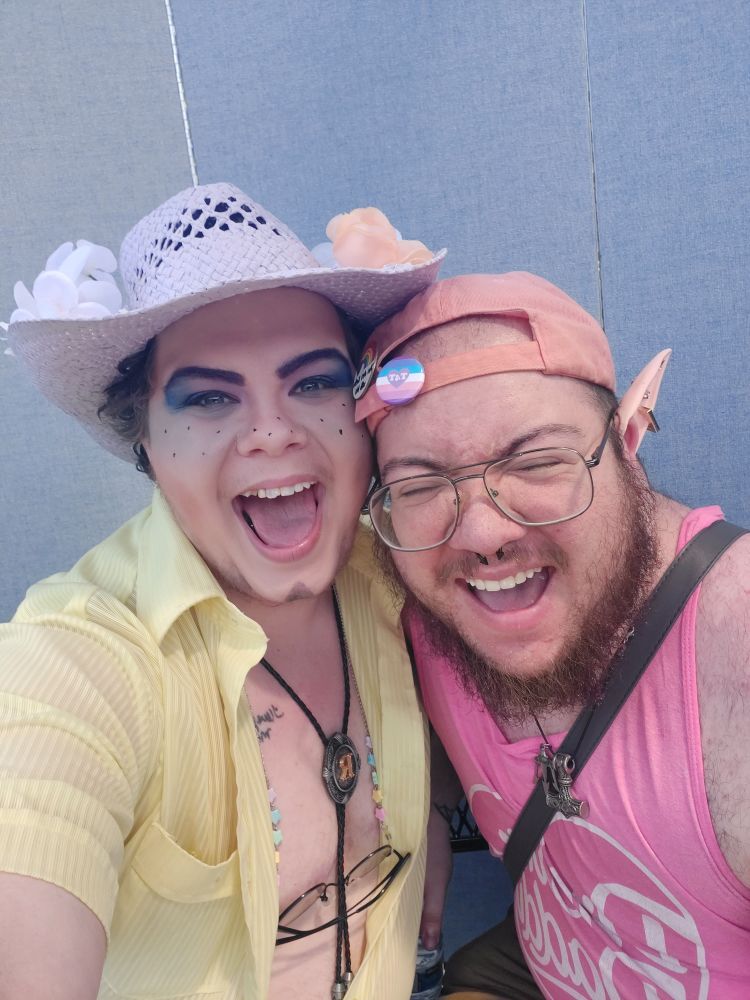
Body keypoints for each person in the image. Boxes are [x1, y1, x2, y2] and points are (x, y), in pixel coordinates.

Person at [0, 183, 445, 1000]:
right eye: (208, 397)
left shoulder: (401, 566)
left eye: (314, 383)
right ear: (145, 442)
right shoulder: (80, 651)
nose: (272, 430)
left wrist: (431, 815)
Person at [353, 272, 750, 998]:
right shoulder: (419, 610)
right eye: (418, 487)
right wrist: (412, 818)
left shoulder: (736, 651)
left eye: (537, 463)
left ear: (628, 440)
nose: (480, 533)